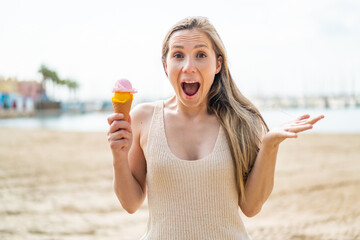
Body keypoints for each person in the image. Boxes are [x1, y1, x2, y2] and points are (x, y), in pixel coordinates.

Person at [107, 16, 324, 239]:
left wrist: (269, 146)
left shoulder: (241, 121)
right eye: (178, 55)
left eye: (201, 55)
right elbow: (131, 203)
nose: (188, 67)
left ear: (218, 64)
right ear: (165, 65)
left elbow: (251, 207)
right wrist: (119, 158)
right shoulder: (143, 118)